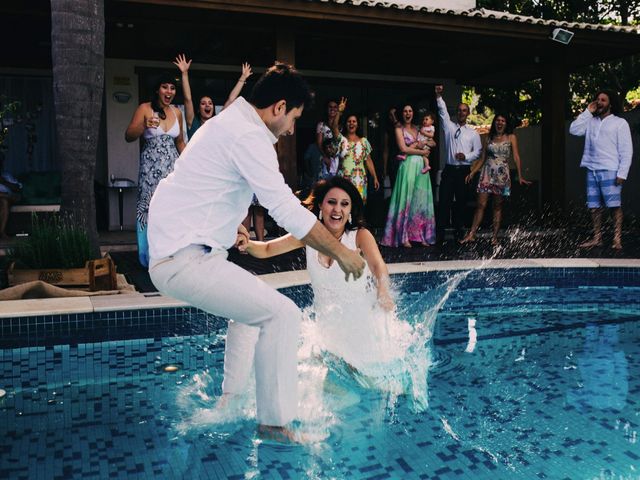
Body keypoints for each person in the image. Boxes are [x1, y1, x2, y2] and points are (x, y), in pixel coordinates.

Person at [146, 63, 365, 441]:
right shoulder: (247, 135)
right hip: (184, 258)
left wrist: (225, 222)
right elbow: (282, 207)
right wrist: (343, 253)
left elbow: (196, 181)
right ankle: (275, 423)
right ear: (279, 108)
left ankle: (229, 402)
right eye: (294, 117)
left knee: (249, 313)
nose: (293, 128)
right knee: (282, 315)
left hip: (184, 251)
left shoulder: (228, 124)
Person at [125, 73, 186, 267]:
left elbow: (180, 142)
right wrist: (144, 125)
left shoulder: (177, 112)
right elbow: (128, 135)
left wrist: (190, 163)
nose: (169, 91)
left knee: (172, 209)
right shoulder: (145, 108)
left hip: (172, 169)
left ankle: (170, 254)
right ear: (157, 90)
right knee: (148, 209)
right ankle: (147, 257)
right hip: (151, 169)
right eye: (165, 87)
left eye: (172, 88)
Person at [569, 89, 633, 250]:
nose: (599, 102)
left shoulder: (619, 123)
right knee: (594, 207)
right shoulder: (590, 121)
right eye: (597, 99)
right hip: (592, 169)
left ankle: (617, 239)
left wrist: (622, 173)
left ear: (610, 103)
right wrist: (587, 112)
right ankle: (597, 238)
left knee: (614, 206)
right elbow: (574, 130)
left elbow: (627, 150)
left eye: (603, 100)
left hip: (611, 169)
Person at [460, 114, 531, 245]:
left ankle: (494, 237)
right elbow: (482, 159)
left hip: (501, 175)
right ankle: (472, 234)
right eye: (498, 120)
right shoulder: (488, 138)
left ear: (506, 123)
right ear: (494, 123)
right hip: (487, 173)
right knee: (481, 204)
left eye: (503, 120)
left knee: (497, 206)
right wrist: (473, 172)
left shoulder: (511, 137)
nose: (500, 122)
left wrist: (520, 176)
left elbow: (516, 157)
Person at [381, 104, 436, 248]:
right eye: (405, 111)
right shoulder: (399, 128)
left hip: (421, 167)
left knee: (421, 200)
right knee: (406, 199)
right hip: (408, 165)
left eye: (410, 111)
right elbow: (403, 148)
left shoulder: (419, 128)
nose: (407, 113)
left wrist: (424, 145)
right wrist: (421, 151)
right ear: (402, 113)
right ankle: (403, 236)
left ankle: (421, 235)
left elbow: (432, 142)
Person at [435, 84, 482, 245]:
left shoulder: (473, 133)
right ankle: (439, 235)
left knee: (461, 203)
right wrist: (439, 97)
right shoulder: (449, 127)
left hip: (463, 171)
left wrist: (466, 156)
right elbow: (442, 112)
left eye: (464, 110)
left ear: (468, 113)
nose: (461, 112)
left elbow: (478, 152)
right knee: (444, 203)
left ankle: (458, 233)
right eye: (459, 110)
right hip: (449, 170)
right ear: (456, 112)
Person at [173, 54, 253, 140]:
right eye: (203, 103)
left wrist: (243, 77)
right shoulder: (193, 124)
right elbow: (188, 99)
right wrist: (184, 73)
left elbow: (231, 99)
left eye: (210, 103)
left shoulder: (216, 122)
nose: (207, 105)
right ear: (198, 110)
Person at [331, 99, 380, 203]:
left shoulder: (364, 141)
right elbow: (334, 127)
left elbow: (369, 161)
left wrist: (375, 177)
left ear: (357, 124)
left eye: (354, 121)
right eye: (349, 121)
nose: (351, 123)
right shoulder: (341, 139)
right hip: (344, 179)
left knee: (359, 207)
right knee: (344, 205)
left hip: (360, 179)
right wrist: (339, 112)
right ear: (346, 124)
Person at [316, 99, 341, 178]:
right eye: (330, 107)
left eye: (335, 107)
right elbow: (319, 144)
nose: (332, 109)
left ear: (338, 109)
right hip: (325, 157)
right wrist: (326, 157)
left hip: (339, 159)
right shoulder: (321, 125)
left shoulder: (342, 125)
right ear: (326, 109)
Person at [0, 155, 22, 239]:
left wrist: (4, 182)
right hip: (6, 196)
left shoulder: (6, 175)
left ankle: (2, 233)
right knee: (6, 199)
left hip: (4, 199)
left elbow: (18, 187)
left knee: (4, 202)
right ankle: (8, 196)